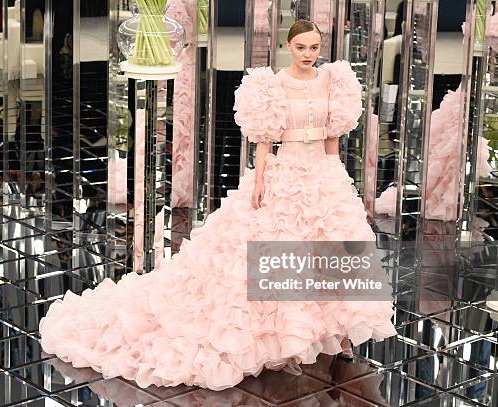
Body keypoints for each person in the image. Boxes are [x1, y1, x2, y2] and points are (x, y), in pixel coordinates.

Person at [38, 20, 397, 391]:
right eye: (302, 47)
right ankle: (283, 333)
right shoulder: (270, 85)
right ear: (288, 47)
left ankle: (340, 336)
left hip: (323, 175)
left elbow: (333, 140)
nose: (309, 54)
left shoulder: (334, 82)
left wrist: (337, 179)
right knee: (278, 251)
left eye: (315, 48)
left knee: (333, 249)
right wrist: (260, 182)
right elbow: (263, 141)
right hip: (285, 171)